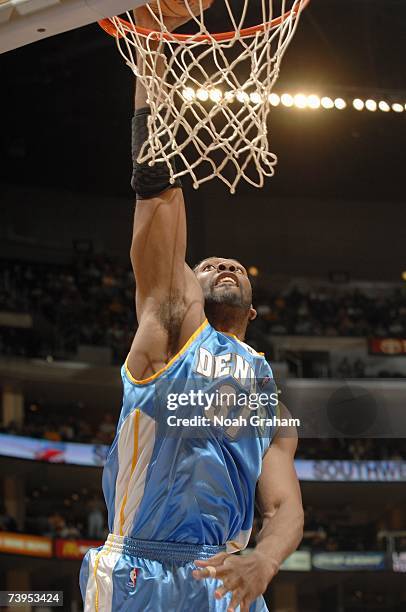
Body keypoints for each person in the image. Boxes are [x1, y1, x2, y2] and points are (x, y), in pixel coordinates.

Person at [79, 5, 304, 612]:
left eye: (237, 270)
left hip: (227, 577)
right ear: (190, 287)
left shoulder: (265, 395)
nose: (224, 264)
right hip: (141, 569)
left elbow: (285, 508)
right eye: (206, 266)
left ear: (253, 313)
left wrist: (267, 557)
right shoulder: (173, 319)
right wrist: (151, 41)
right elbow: (155, 193)